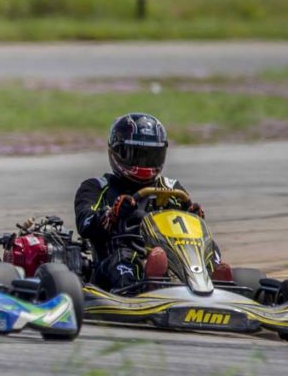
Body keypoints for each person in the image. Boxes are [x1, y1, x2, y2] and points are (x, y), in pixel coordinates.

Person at [74, 112, 228, 291]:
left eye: (151, 155)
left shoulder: (172, 188)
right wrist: (111, 214)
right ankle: (146, 287)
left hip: (172, 258)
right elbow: (85, 223)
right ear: (118, 151)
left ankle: (218, 282)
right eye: (137, 154)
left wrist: (194, 217)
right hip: (113, 261)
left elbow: (184, 225)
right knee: (125, 259)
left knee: (208, 246)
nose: (144, 162)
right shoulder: (96, 187)